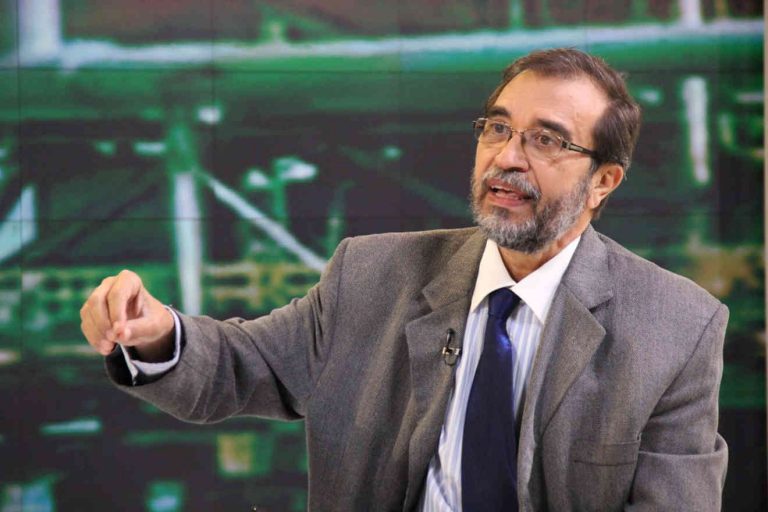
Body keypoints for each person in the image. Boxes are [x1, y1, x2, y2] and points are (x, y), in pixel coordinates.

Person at [80, 48, 728, 511]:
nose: (506, 157)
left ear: (603, 181)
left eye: (547, 140)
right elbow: (241, 366)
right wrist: (156, 333)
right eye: (498, 128)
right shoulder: (372, 275)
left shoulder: (676, 328)